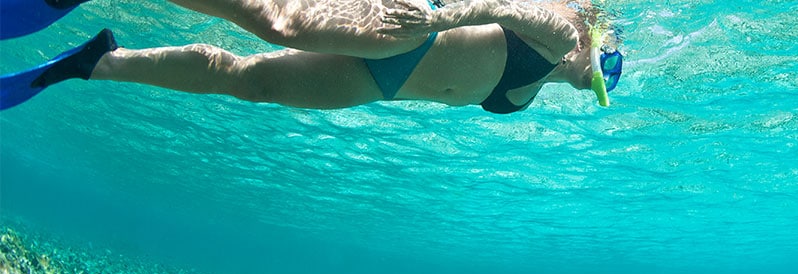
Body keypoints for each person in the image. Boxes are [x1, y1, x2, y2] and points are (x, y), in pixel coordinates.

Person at [0, 0, 623, 112]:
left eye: (611, 74)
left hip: (382, 84)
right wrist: (439, 17)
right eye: (608, 59)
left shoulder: (544, 79)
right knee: (276, 21)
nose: (599, 73)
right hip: (416, 31)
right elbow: (511, 8)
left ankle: (95, 63)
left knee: (248, 82)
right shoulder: (568, 24)